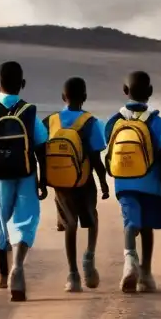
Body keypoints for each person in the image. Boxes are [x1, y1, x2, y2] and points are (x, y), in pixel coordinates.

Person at [0, 61, 49, 302]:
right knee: (25, 220)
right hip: (25, 175)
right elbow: (40, 147)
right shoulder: (30, 111)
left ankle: (3, 276)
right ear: (23, 84)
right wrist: (43, 179)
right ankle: (18, 266)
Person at [104, 70, 161, 293]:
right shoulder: (155, 121)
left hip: (124, 182)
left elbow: (110, 148)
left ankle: (129, 263)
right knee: (147, 227)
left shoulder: (114, 120)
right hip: (151, 182)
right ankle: (145, 274)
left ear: (125, 91)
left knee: (130, 223)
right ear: (151, 92)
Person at [43, 77, 110, 292]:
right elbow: (97, 158)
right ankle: (89, 256)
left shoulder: (50, 121)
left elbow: (40, 153)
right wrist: (104, 183)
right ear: (85, 98)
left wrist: (43, 180)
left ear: (63, 97)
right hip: (85, 182)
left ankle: (72, 275)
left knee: (70, 224)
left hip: (60, 184)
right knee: (92, 218)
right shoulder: (91, 122)